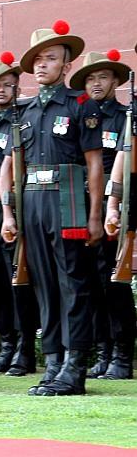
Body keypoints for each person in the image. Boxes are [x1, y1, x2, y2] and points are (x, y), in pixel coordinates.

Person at [0, 20, 103, 396]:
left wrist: (94, 214)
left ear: (67, 64)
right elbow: (14, 167)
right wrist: (10, 213)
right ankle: (53, 361)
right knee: (42, 285)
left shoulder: (80, 104)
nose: (42, 65)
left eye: (51, 58)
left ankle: (75, 366)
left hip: (69, 202)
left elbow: (94, 162)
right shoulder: (23, 111)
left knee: (73, 285)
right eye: (38, 60)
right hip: (33, 203)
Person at [0, 54, 39, 376]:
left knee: (18, 282)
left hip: (10, 209)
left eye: (6, 85)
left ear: (16, 86)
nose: (1, 91)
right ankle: (6, 345)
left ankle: (25, 350)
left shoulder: (22, 121)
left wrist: (10, 212)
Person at [84, 51, 135, 380]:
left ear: (115, 81)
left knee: (115, 281)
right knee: (92, 283)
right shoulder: (80, 116)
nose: (96, 84)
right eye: (90, 78)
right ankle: (102, 352)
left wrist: (111, 205)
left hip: (114, 203)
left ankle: (121, 355)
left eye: (102, 77)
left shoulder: (124, 116)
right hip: (86, 205)